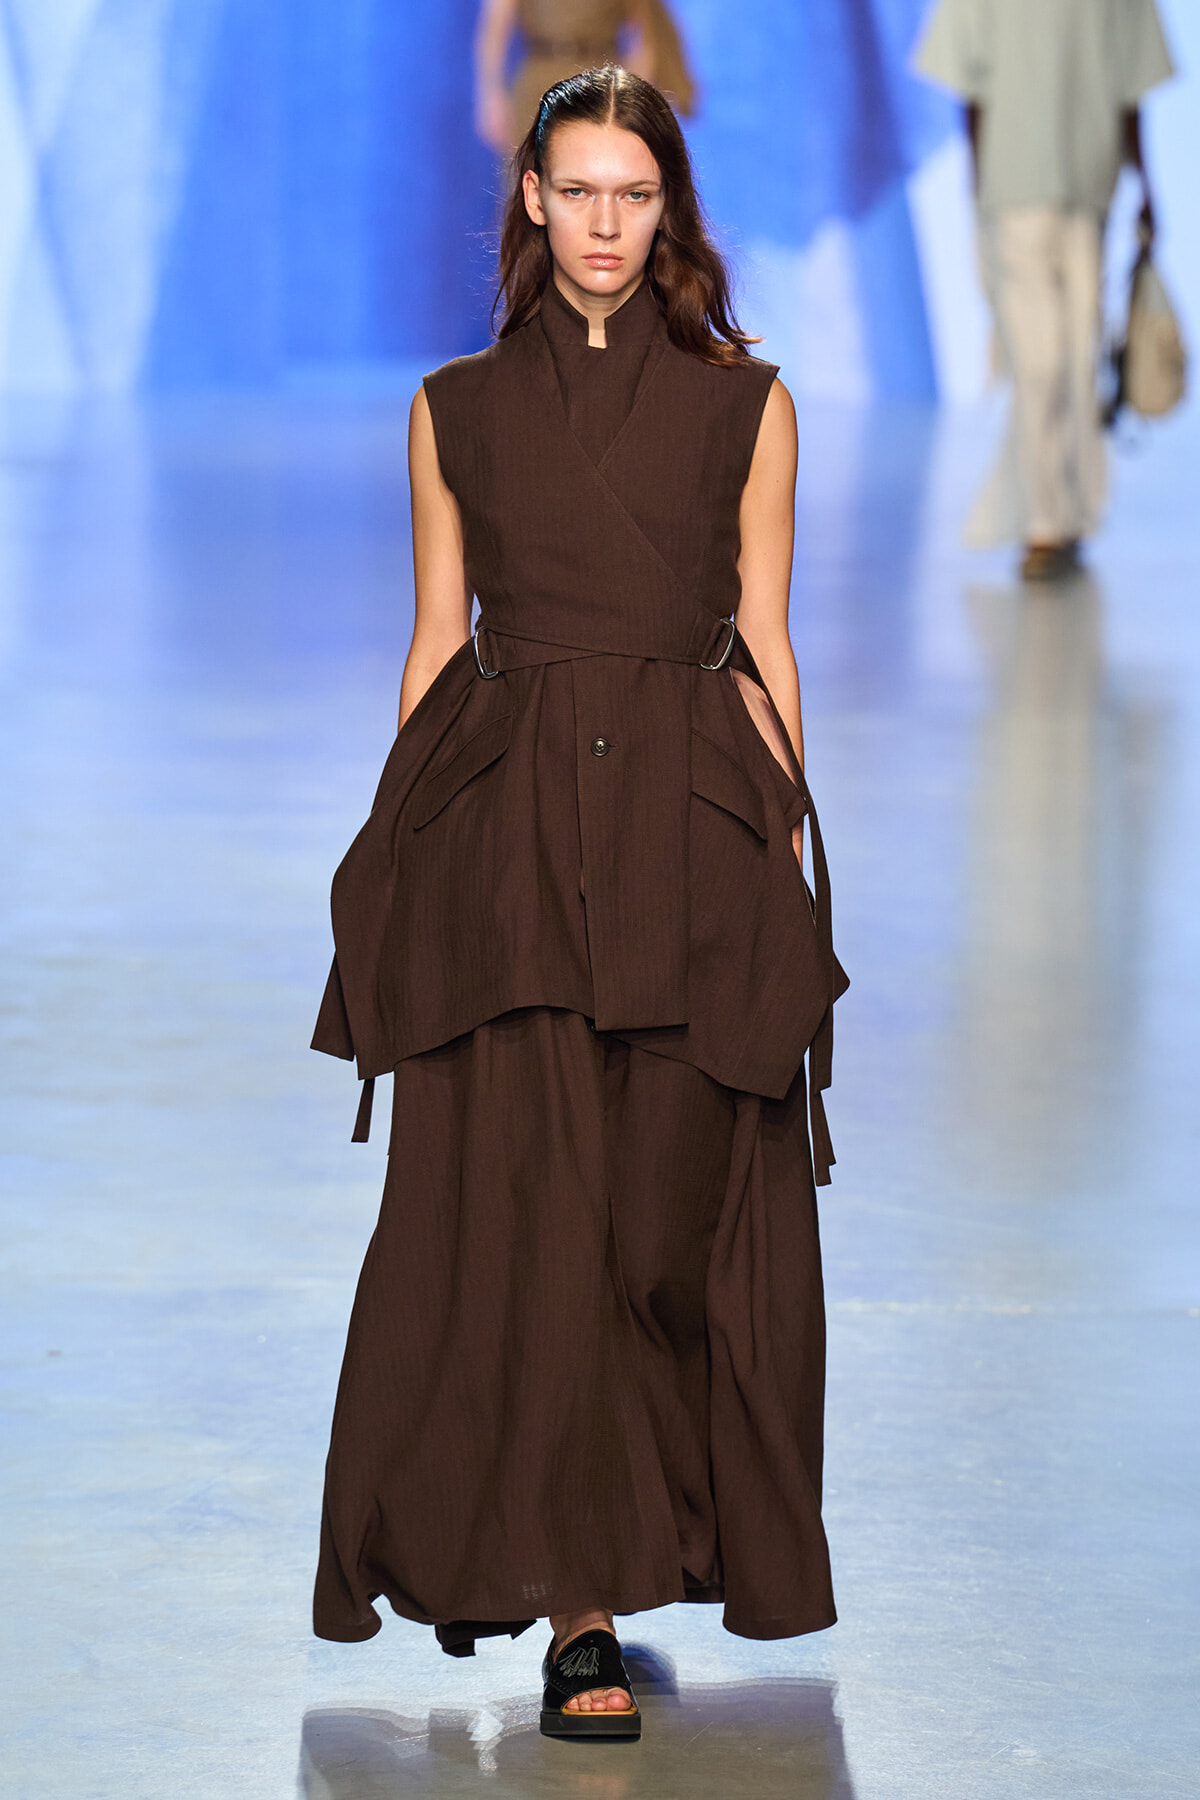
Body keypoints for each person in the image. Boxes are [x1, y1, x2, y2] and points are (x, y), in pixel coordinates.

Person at [310, 66, 845, 1741]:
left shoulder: (747, 406)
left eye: (637, 194)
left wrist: (783, 859)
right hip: (515, 843)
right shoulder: (453, 409)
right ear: (530, 201)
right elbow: (432, 644)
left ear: (666, 208)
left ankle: (661, 1533)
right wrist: (396, 871)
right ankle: (580, 1616)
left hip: (688, 833)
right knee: (536, 1225)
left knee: (667, 1227)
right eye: (580, 191)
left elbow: (765, 637)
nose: (608, 225)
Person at [914, 0, 1174, 581]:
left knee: (1061, 359)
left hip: (1053, 186)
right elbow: (1133, 84)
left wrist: (979, 185)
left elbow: (969, 85)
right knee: (1049, 359)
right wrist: (1147, 181)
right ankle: (1051, 519)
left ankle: (1059, 516)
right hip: (1058, 184)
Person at [475, 0, 693, 155]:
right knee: (530, 183)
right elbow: (494, 30)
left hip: (600, 84)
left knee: (597, 178)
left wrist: (633, 97)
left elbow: (648, 35)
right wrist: (491, 96)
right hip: (537, 84)